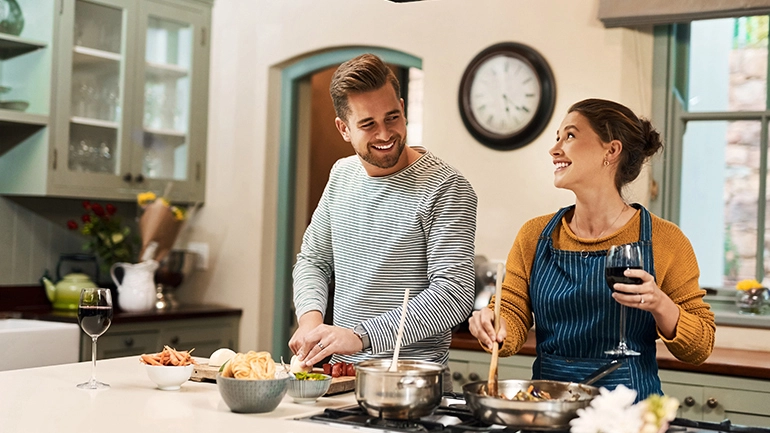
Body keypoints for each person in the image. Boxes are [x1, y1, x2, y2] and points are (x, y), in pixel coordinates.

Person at [469, 98, 715, 401]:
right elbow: (512, 316)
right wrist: (494, 324)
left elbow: (700, 347)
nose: (555, 148)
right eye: (557, 137)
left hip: (628, 416)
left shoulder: (666, 240)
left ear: (611, 151)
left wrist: (659, 303)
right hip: (549, 409)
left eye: (570, 136)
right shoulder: (535, 235)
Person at [290, 54, 478, 378]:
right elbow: (313, 261)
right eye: (368, 124)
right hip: (342, 380)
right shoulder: (341, 175)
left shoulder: (446, 187)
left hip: (412, 383)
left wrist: (360, 336)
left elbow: (454, 293)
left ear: (403, 108)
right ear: (343, 129)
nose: (385, 133)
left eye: (392, 117)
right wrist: (310, 320)